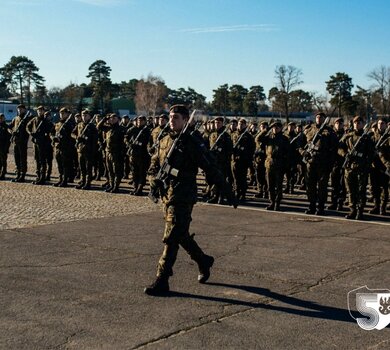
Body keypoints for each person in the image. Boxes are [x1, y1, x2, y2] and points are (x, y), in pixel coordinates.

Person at [144, 104, 236, 296]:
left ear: (186, 120)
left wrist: (226, 188)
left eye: (176, 117)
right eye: (170, 116)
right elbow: (154, 165)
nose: (171, 120)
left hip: (184, 195)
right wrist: (154, 182)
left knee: (171, 237)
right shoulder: (164, 138)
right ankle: (203, 261)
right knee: (180, 235)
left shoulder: (193, 141)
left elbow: (210, 165)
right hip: (167, 195)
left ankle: (162, 279)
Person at [300, 112, 338, 215]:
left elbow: (334, 149)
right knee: (310, 186)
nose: (319, 118)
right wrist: (303, 152)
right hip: (310, 163)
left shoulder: (330, 132)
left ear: (325, 119)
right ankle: (311, 206)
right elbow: (300, 144)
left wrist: (330, 164)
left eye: (321, 117)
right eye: (317, 117)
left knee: (322, 187)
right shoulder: (309, 130)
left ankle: (320, 208)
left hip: (323, 163)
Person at [338, 116, 375, 220]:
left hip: (361, 169)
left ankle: (360, 211)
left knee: (361, 191)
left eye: (359, 123)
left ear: (363, 124)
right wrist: (345, 154)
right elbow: (339, 148)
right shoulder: (348, 136)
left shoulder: (367, 138)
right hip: (349, 168)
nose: (357, 124)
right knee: (350, 190)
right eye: (355, 123)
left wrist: (365, 164)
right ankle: (352, 210)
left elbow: (372, 154)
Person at [256, 120, 290, 210]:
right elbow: (257, 139)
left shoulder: (284, 139)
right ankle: (272, 202)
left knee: (278, 186)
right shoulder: (268, 137)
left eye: (277, 127)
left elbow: (288, 153)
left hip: (279, 165)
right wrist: (266, 130)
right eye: (274, 127)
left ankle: (277, 203)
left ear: (281, 128)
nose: (275, 129)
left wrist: (286, 166)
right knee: (270, 186)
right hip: (269, 164)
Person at [97, 113, 126, 193]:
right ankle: (111, 185)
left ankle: (116, 186)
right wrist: (105, 119)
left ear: (117, 119)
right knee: (110, 171)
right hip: (108, 152)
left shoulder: (121, 129)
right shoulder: (108, 128)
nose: (112, 119)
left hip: (117, 153)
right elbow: (98, 127)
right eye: (111, 118)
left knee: (116, 171)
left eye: (114, 118)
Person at [207, 117, 233, 204]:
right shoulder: (213, 135)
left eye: (218, 123)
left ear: (222, 123)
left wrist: (222, 154)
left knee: (222, 180)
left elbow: (229, 150)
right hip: (214, 161)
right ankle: (215, 196)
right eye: (215, 123)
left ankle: (221, 197)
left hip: (222, 162)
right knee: (214, 180)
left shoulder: (226, 136)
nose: (216, 124)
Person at [26, 106, 54, 185]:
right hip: (35, 143)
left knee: (42, 161)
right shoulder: (34, 119)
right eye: (38, 110)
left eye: (41, 111)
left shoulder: (46, 121)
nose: (40, 112)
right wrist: (31, 133)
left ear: (43, 111)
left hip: (43, 144)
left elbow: (50, 130)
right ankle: (38, 176)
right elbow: (28, 127)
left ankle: (43, 177)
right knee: (37, 160)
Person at [72, 109, 98, 190]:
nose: (84, 117)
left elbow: (95, 138)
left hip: (88, 150)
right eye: (83, 115)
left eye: (85, 115)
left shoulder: (92, 126)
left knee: (88, 168)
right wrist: (77, 138)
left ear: (89, 116)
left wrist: (87, 138)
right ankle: (82, 181)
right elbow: (72, 133)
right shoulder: (79, 125)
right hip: (80, 149)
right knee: (82, 167)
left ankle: (87, 183)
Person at [230, 118, 255, 201]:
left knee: (242, 178)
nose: (240, 125)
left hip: (243, 161)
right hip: (234, 160)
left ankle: (243, 194)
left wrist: (246, 156)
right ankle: (236, 192)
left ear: (245, 125)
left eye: (242, 124)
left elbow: (252, 149)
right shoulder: (234, 134)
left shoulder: (248, 136)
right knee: (235, 178)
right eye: (239, 124)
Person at [125, 115, 151, 195]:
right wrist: (129, 144)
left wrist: (139, 144)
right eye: (138, 121)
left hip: (142, 155)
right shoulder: (132, 129)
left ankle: (140, 189)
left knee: (141, 173)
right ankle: (135, 187)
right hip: (133, 155)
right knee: (134, 172)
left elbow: (148, 142)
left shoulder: (147, 130)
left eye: (141, 121)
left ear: (144, 121)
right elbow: (126, 137)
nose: (139, 122)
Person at [51, 107, 76, 187]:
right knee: (59, 164)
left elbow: (72, 134)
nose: (62, 115)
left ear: (67, 114)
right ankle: (61, 179)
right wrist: (53, 137)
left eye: (63, 113)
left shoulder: (70, 124)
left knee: (66, 165)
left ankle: (65, 180)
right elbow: (52, 133)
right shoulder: (58, 124)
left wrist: (64, 134)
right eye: (61, 113)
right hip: (58, 147)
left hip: (66, 147)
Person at [370, 118, 389, 215]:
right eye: (379, 123)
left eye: (382, 124)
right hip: (374, 166)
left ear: (386, 125)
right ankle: (376, 206)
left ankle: (383, 207)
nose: (380, 125)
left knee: (384, 188)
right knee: (374, 188)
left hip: (385, 167)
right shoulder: (372, 136)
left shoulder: (388, 137)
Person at [9, 104, 32, 182]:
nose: (20, 110)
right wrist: (12, 132)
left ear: (24, 110)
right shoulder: (15, 118)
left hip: (23, 142)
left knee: (23, 159)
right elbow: (9, 127)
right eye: (18, 109)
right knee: (17, 158)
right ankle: (18, 174)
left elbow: (29, 128)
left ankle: (23, 175)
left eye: (21, 109)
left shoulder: (27, 119)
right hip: (16, 141)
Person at [328, 118, 346, 211]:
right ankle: (333, 202)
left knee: (342, 184)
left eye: (340, 123)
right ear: (334, 124)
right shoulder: (331, 134)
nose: (338, 125)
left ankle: (340, 203)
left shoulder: (346, 135)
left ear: (343, 124)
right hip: (333, 162)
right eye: (337, 123)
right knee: (334, 184)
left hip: (343, 162)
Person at [0, 113, 11, 180]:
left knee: (3, 161)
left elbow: (8, 139)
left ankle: (3, 174)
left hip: (3, 147)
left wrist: (6, 148)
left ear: (4, 119)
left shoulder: (6, 127)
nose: (1, 119)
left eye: (2, 118)